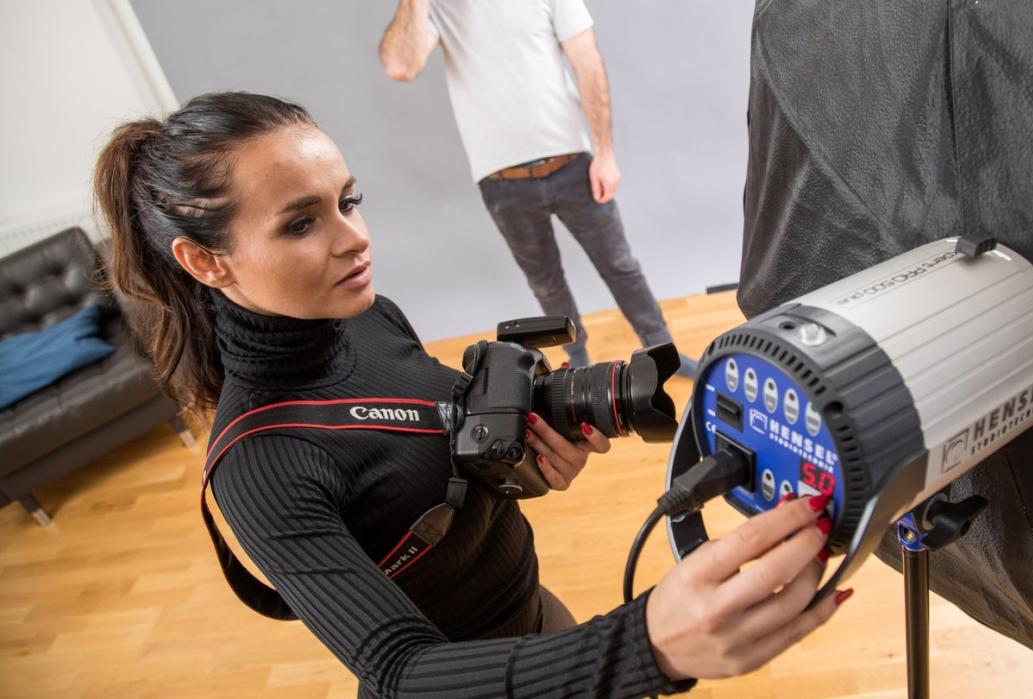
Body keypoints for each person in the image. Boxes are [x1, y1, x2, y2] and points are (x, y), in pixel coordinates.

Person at [94, 92, 848, 698]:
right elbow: (398, 669)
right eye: (301, 222)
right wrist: (645, 642)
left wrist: (529, 463)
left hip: (545, 627)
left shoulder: (368, 317)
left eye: (348, 201)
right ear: (205, 260)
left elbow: (435, 462)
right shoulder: (259, 464)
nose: (353, 237)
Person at [379, 0, 697, 375]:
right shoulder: (437, 8)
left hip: (573, 164)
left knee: (620, 265)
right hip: (503, 184)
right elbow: (401, 65)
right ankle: (576, 359)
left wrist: (605, 153)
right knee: (546, 283)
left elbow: (587, 60)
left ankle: (662, 350)